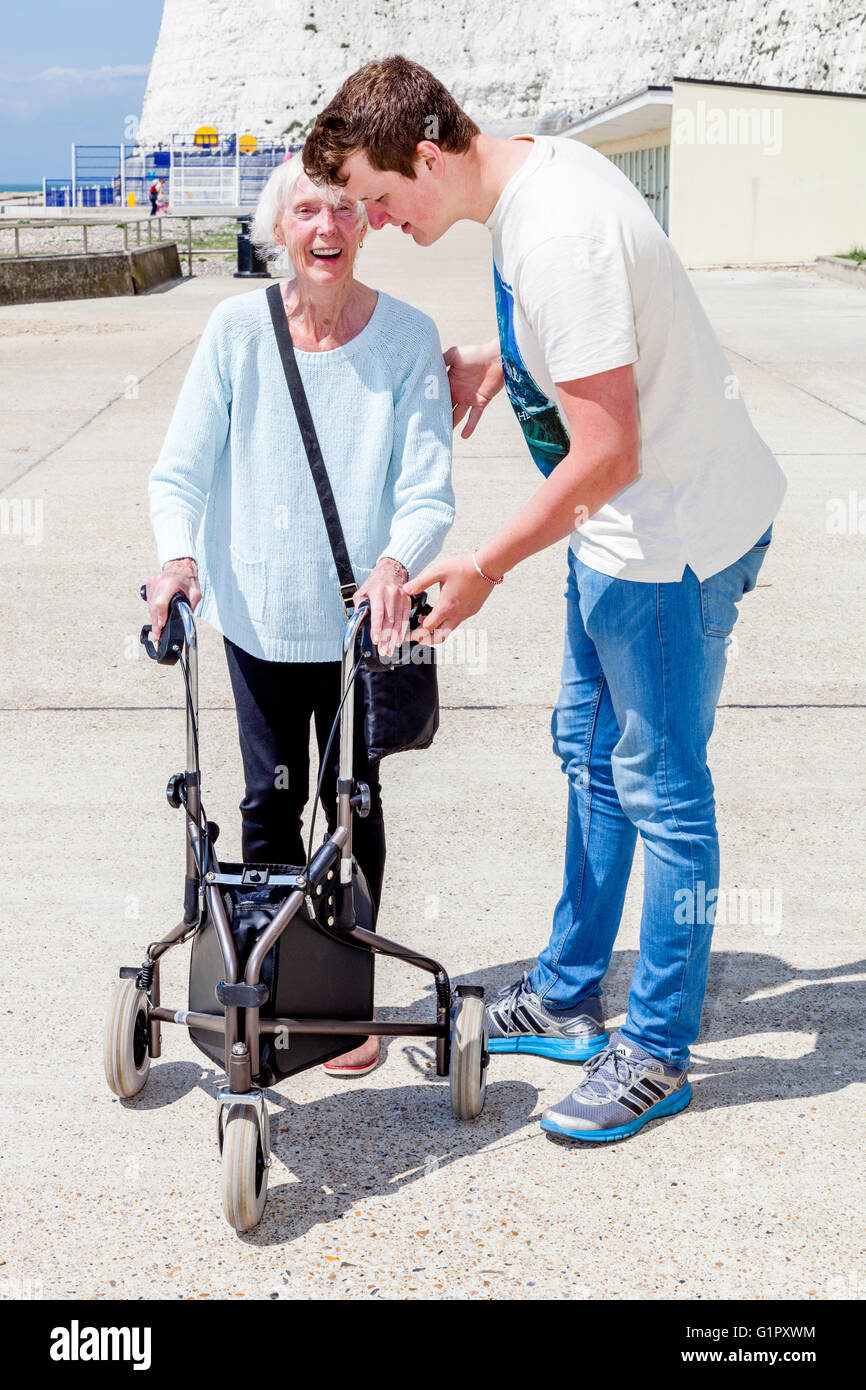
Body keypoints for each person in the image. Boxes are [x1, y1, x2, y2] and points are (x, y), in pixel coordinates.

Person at [303, 56, 786, 1137]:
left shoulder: (554, 234)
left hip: (667, 544)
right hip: (615, 536)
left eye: (377, 200)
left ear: (425, 156)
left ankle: (655, 1048)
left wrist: (481, 564)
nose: (371, 225)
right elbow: (593, 347)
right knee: (588, 753)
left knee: (659, 788)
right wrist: (503, 360)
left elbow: (607, 450)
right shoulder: (532, 177)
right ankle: (567, 994)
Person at [145, 155, 454, 1077]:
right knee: (267, 807)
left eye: (345, 210)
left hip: (365, 631)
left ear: (367, 226)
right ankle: (274, 991)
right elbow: (181, 469)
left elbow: (427, 488)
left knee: (352, 808)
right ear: (280, 229)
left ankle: (347, 1001)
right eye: (308, 210)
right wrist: (177, 556)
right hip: (257, 621)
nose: (326, 227)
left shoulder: (406, 339)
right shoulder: (236, 330)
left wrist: (399, 561)